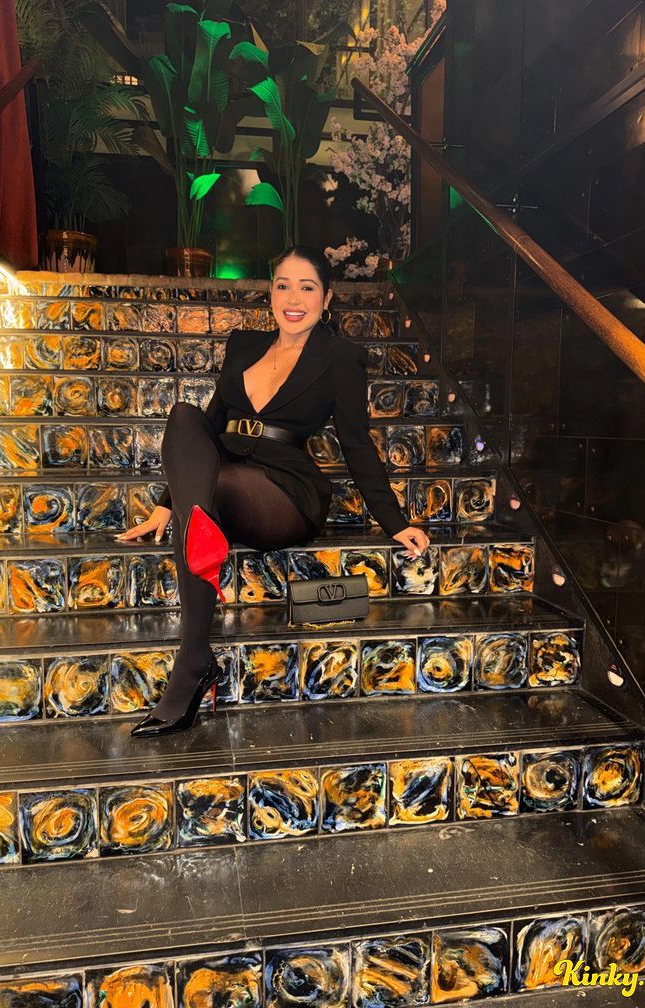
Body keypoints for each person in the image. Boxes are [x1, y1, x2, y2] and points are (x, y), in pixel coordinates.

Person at [117, 246, 430, 738]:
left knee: (204, 493)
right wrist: (165, 503)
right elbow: (210, 426)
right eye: (283, 285)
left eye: (307, 288)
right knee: (184, 416)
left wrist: (394, 521)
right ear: (271, 293)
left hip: (283, 491)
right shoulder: (244, 346)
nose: (293, 298)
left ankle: (192, 660)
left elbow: (356, 444)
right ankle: (196, 530)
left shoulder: (341, 359)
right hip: (222, 474)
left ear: (327, 299)